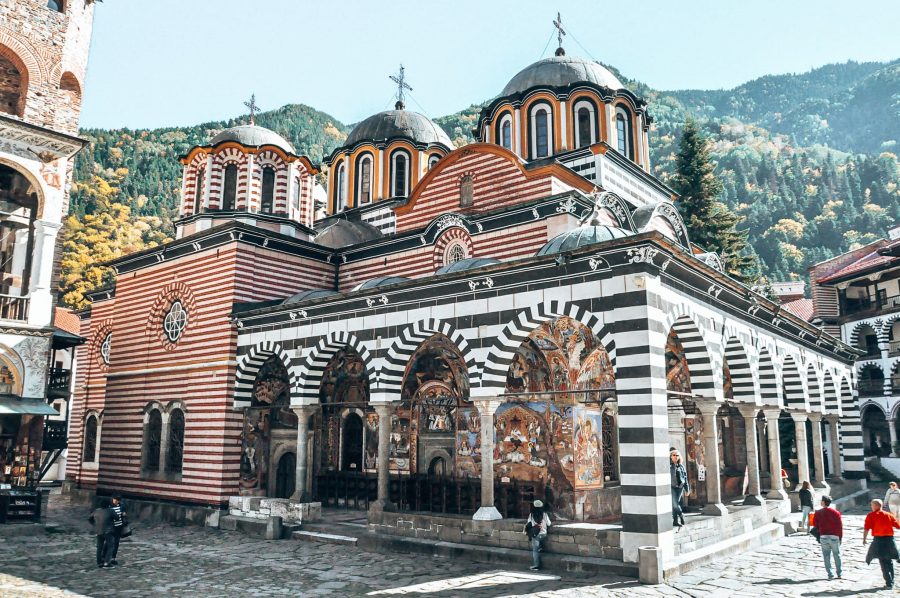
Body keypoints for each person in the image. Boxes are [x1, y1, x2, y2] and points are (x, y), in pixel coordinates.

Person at [864, 499, 900, 588]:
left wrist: (864, 539)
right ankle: (891, 581)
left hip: (878, 541)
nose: (871, 507)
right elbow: (898, 526)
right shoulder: (888, 515)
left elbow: (866, 528)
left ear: (876, 506)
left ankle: (888, 582)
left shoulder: (871, 516)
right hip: (889, 541)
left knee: (883, 561)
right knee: (889, 561)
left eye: (872, 505)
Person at [814, 495, 843, 580]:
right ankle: (839, 573)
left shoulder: (818, 513)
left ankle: (830, 574)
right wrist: (840, 537)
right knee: (837, 555)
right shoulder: (836, 513)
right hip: (834, 536)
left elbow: (815, 525)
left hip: (823, 536)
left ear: (823, 502)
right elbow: (840, 526)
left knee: (826, 555)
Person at [524, 499, 551, 570]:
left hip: (535, 535)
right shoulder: (544, 514)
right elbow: (549, 523)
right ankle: (540, 547)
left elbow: (528, 523)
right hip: (544, 533)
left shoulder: (531, 514)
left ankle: (536, 565)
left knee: (535, 550)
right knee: (539, 545)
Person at [88, 500, 116, 568]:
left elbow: (89, 518)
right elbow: (117, 518)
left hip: (98, 531)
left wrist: (94, 524)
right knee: (111, 546)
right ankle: (107, 562)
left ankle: (99, 562)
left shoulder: (97, 510)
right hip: (108, 531)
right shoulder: (110, 510)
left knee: (99, 547)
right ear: (108, 505)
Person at [670, 448, 689, 529]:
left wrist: (687, 489)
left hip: (680, 487)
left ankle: (675, 521)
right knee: (674, 504)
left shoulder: (681, 466)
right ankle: (681, 515)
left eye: (677, 455)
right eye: (674, 455)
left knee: (675, 504)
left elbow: (685, 477)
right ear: (670, 456)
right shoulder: (669, 466)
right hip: (672, 487)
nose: (675, 457)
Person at [107, 496, 128, 566]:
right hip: (111, 527)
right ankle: (107, 557)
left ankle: (113, 558)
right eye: (114, 500)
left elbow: (124, 515)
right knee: (109, 543)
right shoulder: (109, 507)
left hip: (119, 527)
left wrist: (124, 515)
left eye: (116, 500)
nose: (115, 501)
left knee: (116, 542)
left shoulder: (122, 506)